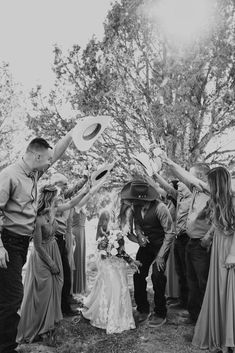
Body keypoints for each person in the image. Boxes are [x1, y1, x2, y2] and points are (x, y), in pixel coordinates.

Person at [0, 134, 74, 353]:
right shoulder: (9, 175)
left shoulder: (33, 173)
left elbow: (57, 153)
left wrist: (72, 134)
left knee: (7, 296)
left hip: (22, 244)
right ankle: (6, 348)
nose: (50, 163)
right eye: (47, 159)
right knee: (13, 298)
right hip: (8, 243)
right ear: (37, 155)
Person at [17, 182, 89, 343]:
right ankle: (40, 328)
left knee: (56, 286)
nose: (59, 198)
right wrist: (51, 264)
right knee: (44, 290)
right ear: (50, 197)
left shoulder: (54, 210)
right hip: (42, 256)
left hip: (54, 249)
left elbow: (71, 203)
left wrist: (86, 189)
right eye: (57, 196)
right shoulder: (38, 217)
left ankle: (49, 324)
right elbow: (37, 245)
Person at [159, 152, 211, 324]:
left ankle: (205, 320)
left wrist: (168, 161)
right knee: (192, 281)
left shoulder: (208, 191)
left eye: (191, 174)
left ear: (201, 176)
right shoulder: (196, 192)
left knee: (202, 282)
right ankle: (194, 316)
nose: (187, 179)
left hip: (202, 245)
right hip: (191, 242)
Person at [121, 179, 175, 327]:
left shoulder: (160, 208)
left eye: (133, 199)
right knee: (138, 273)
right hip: (146, 246)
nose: (130, 202)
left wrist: (160, 256)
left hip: (162, 244)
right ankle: (142, 309)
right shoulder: (135, 208)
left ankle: (160, 312)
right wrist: (139, 235)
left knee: (157, 276)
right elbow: (137, 224)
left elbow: (170, 233)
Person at [192, 166, 235, 352]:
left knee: (227, 291)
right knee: (218, 290)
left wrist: (233, 254)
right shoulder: (218, 201)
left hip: (229, 250)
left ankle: (228, 338)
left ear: (217, 183)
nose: (208, 186)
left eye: (211, 183)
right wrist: (208, 237)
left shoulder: (233, 200)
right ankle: (219, 335)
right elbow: (218, 225)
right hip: (218, 247)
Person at [82, 202, 140, 334]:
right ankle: (106, 317)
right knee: (112, 286)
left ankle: (122, 316)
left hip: (119, 260)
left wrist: (126, 257)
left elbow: (123, 242)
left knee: (120, 286)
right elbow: (99, 237)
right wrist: (106, 245)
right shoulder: (106, 214)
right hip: (108, 260)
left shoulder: (127, 220)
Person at [153, 172, 192, 309]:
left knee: (185, 272)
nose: (168, 189)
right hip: (176, 237)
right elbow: (163, 190)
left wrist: (154, 175)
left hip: (183, 237)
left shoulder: (181, 199)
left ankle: (186, 303)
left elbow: (165, 189)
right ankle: (181, 299)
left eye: (172, 187)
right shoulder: (171, 201)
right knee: (180, 271)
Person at [51, 173, 88, 315]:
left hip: (61, 239)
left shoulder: (61, 196)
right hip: (54, 239)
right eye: (64, 184)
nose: (67, 187)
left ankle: (64, 305)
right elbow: (71, 202)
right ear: (57, 185)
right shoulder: (54, 200)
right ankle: (62, 307)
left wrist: (84, 180)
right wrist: (85, 190)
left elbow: (72, 191)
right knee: (62, 274)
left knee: (65, 274)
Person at [72, 207, 87, 294]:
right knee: (76, 258)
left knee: (81, 258)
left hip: (82, 233)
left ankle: (80, 286)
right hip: (76, 233)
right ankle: (74, 287)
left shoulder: (82, 207)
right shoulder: (76, 206)